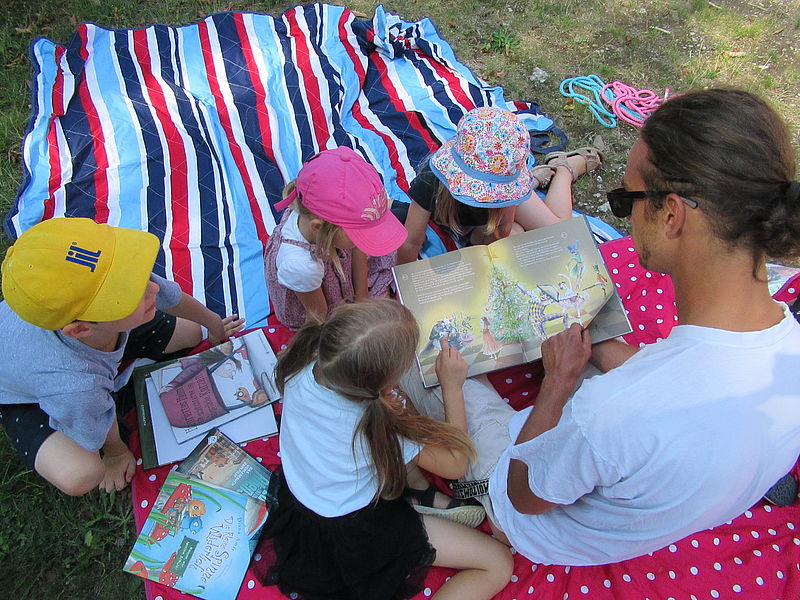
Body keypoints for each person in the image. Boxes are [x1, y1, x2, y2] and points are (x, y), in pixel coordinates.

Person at [409, 88, 800, 566]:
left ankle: (476, 496)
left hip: (536, 519)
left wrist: (557, 384)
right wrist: (597, 346)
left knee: (417, 352)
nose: (626, 217)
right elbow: (661, 379)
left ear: (671, 215)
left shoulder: (610, 414)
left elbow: (524, 494)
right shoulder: (788, 349)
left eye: (623, 200)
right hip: (653, 483)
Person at [256, 299, 512, 600]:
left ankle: (418, 492)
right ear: (382, 385)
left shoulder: (301, 363)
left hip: (305, 503)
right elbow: (456, 463)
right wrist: (452, 387)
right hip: (356, 534)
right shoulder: (378, 425)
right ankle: (416, 497)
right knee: (498, 564)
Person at [0, 218, 244, 496]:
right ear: (80, 328)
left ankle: (119, 360)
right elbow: (93, 423)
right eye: (127, 296)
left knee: (191, 333)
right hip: (23, 394)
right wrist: (115, 452)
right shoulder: (74, 385)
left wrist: (213, 325)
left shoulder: (121, 289)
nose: (152, 288)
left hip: (98, 336)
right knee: (80, 475)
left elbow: (172, 298)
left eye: (136, 277)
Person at [395, 106, 601, 264]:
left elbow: (502, 229)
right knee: (514, 239)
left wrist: (503, 222)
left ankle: (563, 169)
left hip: (504, 198)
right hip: (478, 223)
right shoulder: (431, 179)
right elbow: (411, 241)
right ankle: (537, 178)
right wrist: (405, 290)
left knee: (561, 233)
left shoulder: (506, 191)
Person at [264, 147, 408, 329]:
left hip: (337, 271)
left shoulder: (314, 212)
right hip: (319, 311)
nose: (360, 241)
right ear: (318, 226)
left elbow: (357, 248)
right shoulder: (301, 266)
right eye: (358, 235)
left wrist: (362, 303)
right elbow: (318, 321)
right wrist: (357, 319)